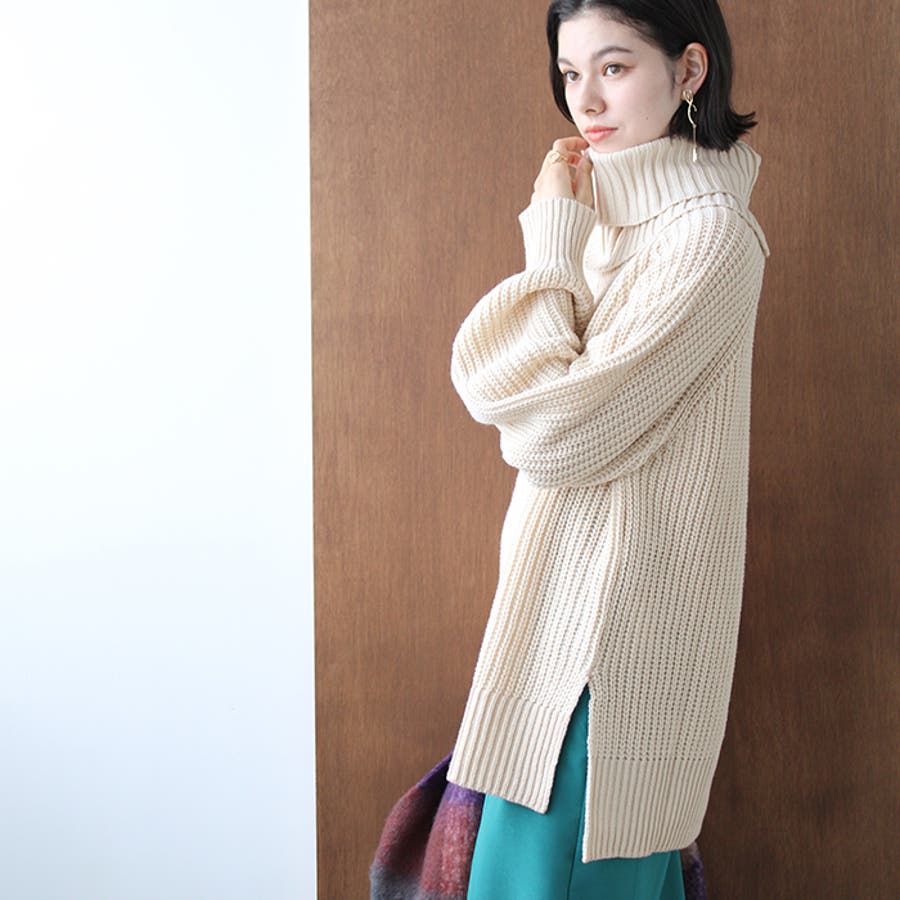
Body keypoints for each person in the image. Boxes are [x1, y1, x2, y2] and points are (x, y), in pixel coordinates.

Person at [445, 1, 770, 898]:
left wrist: (550, 242)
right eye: (569, 72)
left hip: (610, 657)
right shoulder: (614, 226)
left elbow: (553, 433)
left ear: (690, 71)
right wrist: (571, 236)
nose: (584, 99)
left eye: (615, 67)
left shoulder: (709, 237)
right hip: (556, 628)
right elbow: (523, 401)